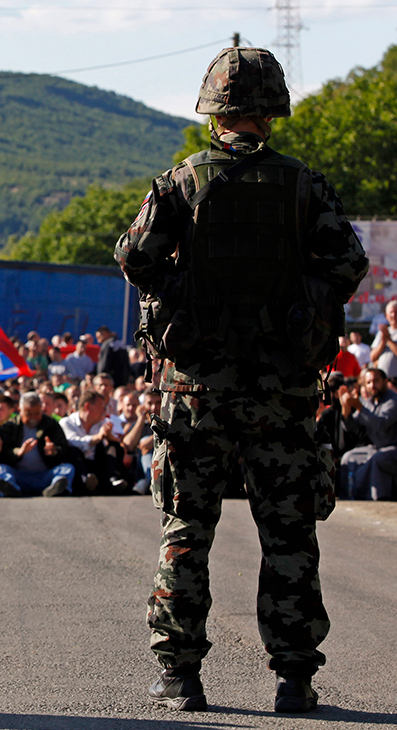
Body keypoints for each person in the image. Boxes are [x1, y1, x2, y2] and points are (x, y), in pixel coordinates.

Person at [115, 47, 368, 713]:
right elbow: (347, 264)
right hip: (282, 392)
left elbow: (134, 256)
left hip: (196, 389)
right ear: (272, 111)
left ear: (214, 111)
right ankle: (294, 678)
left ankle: (179, 677)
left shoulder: (181, 182)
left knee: (186, 531)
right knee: (289, 534)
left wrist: (187, 297)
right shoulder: (302, 185)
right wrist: (295, 301)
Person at [0, 392, 75, 497]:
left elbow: (64, 449)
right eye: (29, 414)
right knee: (1, 468)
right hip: (19, 475)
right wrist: (19, 452)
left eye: (37, 414)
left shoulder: (51, 425)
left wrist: (54, 451)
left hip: (45, 474)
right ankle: (11, 488)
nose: (33, 418)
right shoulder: (10, 426)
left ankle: (56, 488)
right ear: (20, 410)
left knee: (68, 468)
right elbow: (3, 453)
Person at [338, 367, 397, 500]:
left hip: (393, 448)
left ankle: (378, 499)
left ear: (385, 381)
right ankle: (348, 495)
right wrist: (346, 409)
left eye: (376, 381)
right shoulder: (369, 402)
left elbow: (380, 424)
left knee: (378, 458)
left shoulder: (393, 400)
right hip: (376, 448)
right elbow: (352, 427)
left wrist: (359, 406)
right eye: (369, 382)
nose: (372, 385)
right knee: (349, 457)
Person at [370, 300, 397, 379]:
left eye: (396, 312)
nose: (394, 315)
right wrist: (382, 342)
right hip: (382, 380)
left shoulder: (386, 335)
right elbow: (372, 357)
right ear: (386, 315)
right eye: (391, 312)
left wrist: (388, 340)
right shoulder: (382, 333)